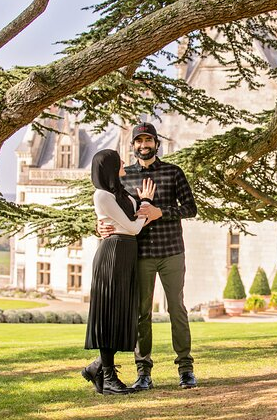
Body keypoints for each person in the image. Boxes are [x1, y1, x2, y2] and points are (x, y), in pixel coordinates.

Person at [84, 122, 199, 391]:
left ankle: (185, 369)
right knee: (141, 315)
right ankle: (143, 372)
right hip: (140, 254)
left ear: (157, 144)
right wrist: (98, 227)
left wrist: (162, 212)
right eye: (139, 141)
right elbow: (110, 212)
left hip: (171, 251)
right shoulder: (122, 177)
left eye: (148, 140)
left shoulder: (173, 172)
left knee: (177, 310)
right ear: (132, 145)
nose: (144, 145)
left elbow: (191, 208)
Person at [82, 149, 156, 395]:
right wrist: (146, 204)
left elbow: (129, 221)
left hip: (126, 254)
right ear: (110, 167)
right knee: (109, 315)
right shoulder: (102, 195)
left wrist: (141, 204)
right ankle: (109, 377)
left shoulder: (118, 192)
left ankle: (98, 368)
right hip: (113, 254)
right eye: (118, 161)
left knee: (120, 313)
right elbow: (134, 227)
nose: (123, 162)